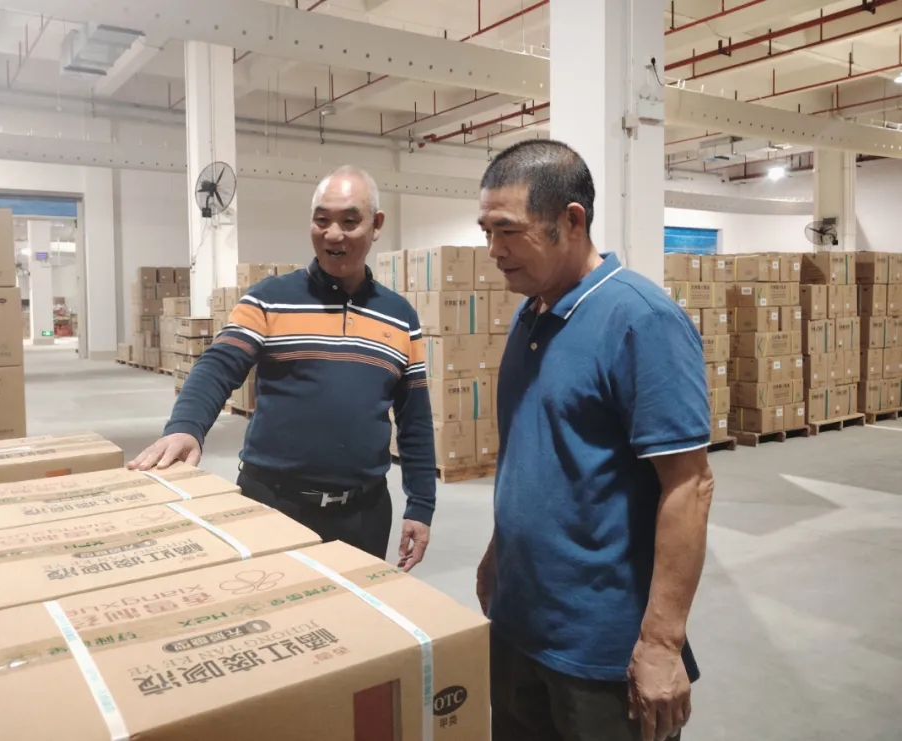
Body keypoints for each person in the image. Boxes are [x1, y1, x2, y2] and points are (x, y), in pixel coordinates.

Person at [475, 140, 714, 741]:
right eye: (487, 231)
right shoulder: (531, 313)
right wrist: (500, 551)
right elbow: (536, 453)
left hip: (601, 652)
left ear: (572, 220)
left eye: (508, 231)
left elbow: (689, 486)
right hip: (519, 623)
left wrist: (661, 643)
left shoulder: (641, 321)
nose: (494, 251)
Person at [128, 165, 436, 570]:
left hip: (364, 514)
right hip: (272, 505)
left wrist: (421, 505)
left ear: (376, 225)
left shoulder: (400, 316)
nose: (333, 234)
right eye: (322, 220)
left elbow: (415, 419)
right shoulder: (268, 299)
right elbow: (219, 364)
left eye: (349, 222)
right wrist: (186, 426)